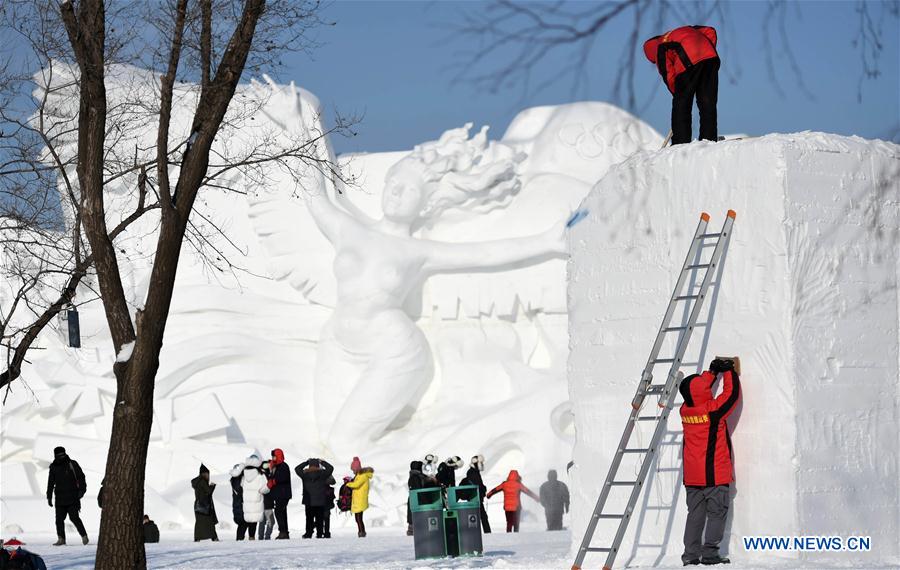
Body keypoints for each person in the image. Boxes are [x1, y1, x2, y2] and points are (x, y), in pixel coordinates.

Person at [679, 358, 741, 566]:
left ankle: (690, 555)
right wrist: (729, 372)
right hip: (714, 475)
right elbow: (730, 396)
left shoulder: (685, 410)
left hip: (692, 476)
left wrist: (713, 372)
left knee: (694, 516)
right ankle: (710, 554)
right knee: (717, 514)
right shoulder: (712, 411)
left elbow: (696, 390)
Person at [643, 26, 719, 145]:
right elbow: (710, 31)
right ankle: (709, 140)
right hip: (711, 58)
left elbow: (668, 75)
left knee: (681, 105)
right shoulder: (680, 32)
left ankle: (680, 143)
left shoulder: (659, 47)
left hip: (689, 60)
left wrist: (679, 93)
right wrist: (706, 52)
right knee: (707, 103)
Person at [45, 446, 88, 546]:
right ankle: (61, 539)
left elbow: (81, 477)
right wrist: (49, 496)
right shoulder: (53, 467)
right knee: (59, 519)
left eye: (63, 454)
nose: (61, 456)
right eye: (59, 455)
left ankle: (84, 536)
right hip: (59, 498)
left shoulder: (72, 464)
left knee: (74, 518)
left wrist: (82, 490)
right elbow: (50, 482)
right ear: (55, 455)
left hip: (73, 497)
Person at [294, 458, 335, 539]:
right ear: (317, 465)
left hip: (308, 500)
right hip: (320, 500)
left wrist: (306, 462)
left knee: (309, 518)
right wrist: (322, 462)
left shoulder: (304, 475)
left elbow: (297, 469)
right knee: (319, 518)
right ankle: (319, 534)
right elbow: (331, 468)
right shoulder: (323, 474)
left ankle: (308, 533)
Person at [240, 455, 269, 541]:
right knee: (254, 520)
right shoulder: (260, 475)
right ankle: (251, 537)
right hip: (256, 500)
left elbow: (241, 485)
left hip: (247, 500)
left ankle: (241, 537)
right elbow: (264, 489)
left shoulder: (244, 475)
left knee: (247, 519)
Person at [460, 455, 491, 533]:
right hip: (475, 498)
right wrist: (483, 488)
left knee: (480, 516)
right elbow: (477, 485)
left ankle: (482, 532)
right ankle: (484, 532)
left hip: (476, 498)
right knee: (480, 517)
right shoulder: (472, 472)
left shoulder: (474, 472)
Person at [406, 460, 438, 535]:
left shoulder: (418, 477)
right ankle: (413, 531)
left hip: (417, 504)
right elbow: (419, 492)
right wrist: (426, 502)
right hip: (418, 504)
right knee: (415, 523)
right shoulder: (415, 478)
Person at [345, 456, 374, 538]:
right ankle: (361, 532)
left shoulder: (362, 475)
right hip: (358, 499)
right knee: (358, 518)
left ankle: (362, 532)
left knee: (358, 518)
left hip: (360, 499)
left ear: (357, 468)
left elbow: (356, 484)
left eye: (353, 470)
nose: (353, 471)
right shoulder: (359, 475)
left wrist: (348, 484)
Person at [267, 449, 292, 539]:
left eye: (274, 456)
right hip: (279, 494)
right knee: (282, 512)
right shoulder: (275, 466)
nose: (273, 458)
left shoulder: (283, 466)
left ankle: (282, 531)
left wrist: (274, 481)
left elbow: (283, 478)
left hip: (283, 494)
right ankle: (285, 531)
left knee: (278, 511)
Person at [191, 464, 219, 542]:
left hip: (198, 506)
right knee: (210, 522)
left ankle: (197, 538)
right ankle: (214, 537)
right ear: (203, 473)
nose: (208, 475)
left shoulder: (198, 481)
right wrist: (212, 486)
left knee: (199, 523)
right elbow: (208, 491)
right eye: (207, 473)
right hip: (204, 506)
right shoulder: (203, 481)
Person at [257, 461, 276, 540]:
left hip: (263, 502)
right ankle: (266, 537)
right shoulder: (264, 476)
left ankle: (261, 537)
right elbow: (265, 489)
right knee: (271, 521)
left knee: (262, 522)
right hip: (266, 502)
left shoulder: (262, 476)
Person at [229, 462, 247, 541]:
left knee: (243, 523)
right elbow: (239, 490)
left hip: (238, 505)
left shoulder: (235, 480)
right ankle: (239, 539)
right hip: (239, 505)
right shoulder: (236, 480)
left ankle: (240, 538)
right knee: (242, 523)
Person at [323, 474, 336, 539]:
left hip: (327, 498)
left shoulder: (327, 473)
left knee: (326, 516)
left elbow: (333, 482)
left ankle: (326, 533)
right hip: (323, 497)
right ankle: (324, 532)